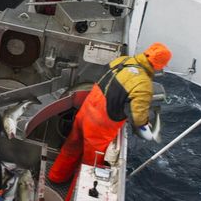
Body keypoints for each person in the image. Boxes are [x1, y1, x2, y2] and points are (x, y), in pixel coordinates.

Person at [48, 42, 172, 199]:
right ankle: (71, 196)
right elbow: (138, 117)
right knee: (89, 167)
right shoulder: (143, 84)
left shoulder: (122, 60)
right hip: (99, 127)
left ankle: (55, 177)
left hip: (85, 112)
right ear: (158, 65)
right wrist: (147, 130)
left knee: (71, 146)